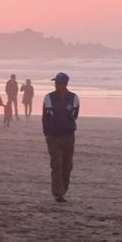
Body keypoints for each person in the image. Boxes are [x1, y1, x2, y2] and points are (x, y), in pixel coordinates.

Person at [42, 72, 80, 203]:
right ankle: (58, 193)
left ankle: (63, 189)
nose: (56, 85)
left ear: (65, 84)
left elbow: (74, 115)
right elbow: (45, 118)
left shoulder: (74, 98)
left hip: (69, 136)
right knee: (57, 164)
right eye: (55, 82)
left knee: (67, 165)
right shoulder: (49, 98)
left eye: (59, 83)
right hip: (53, 136)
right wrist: (47, 133)